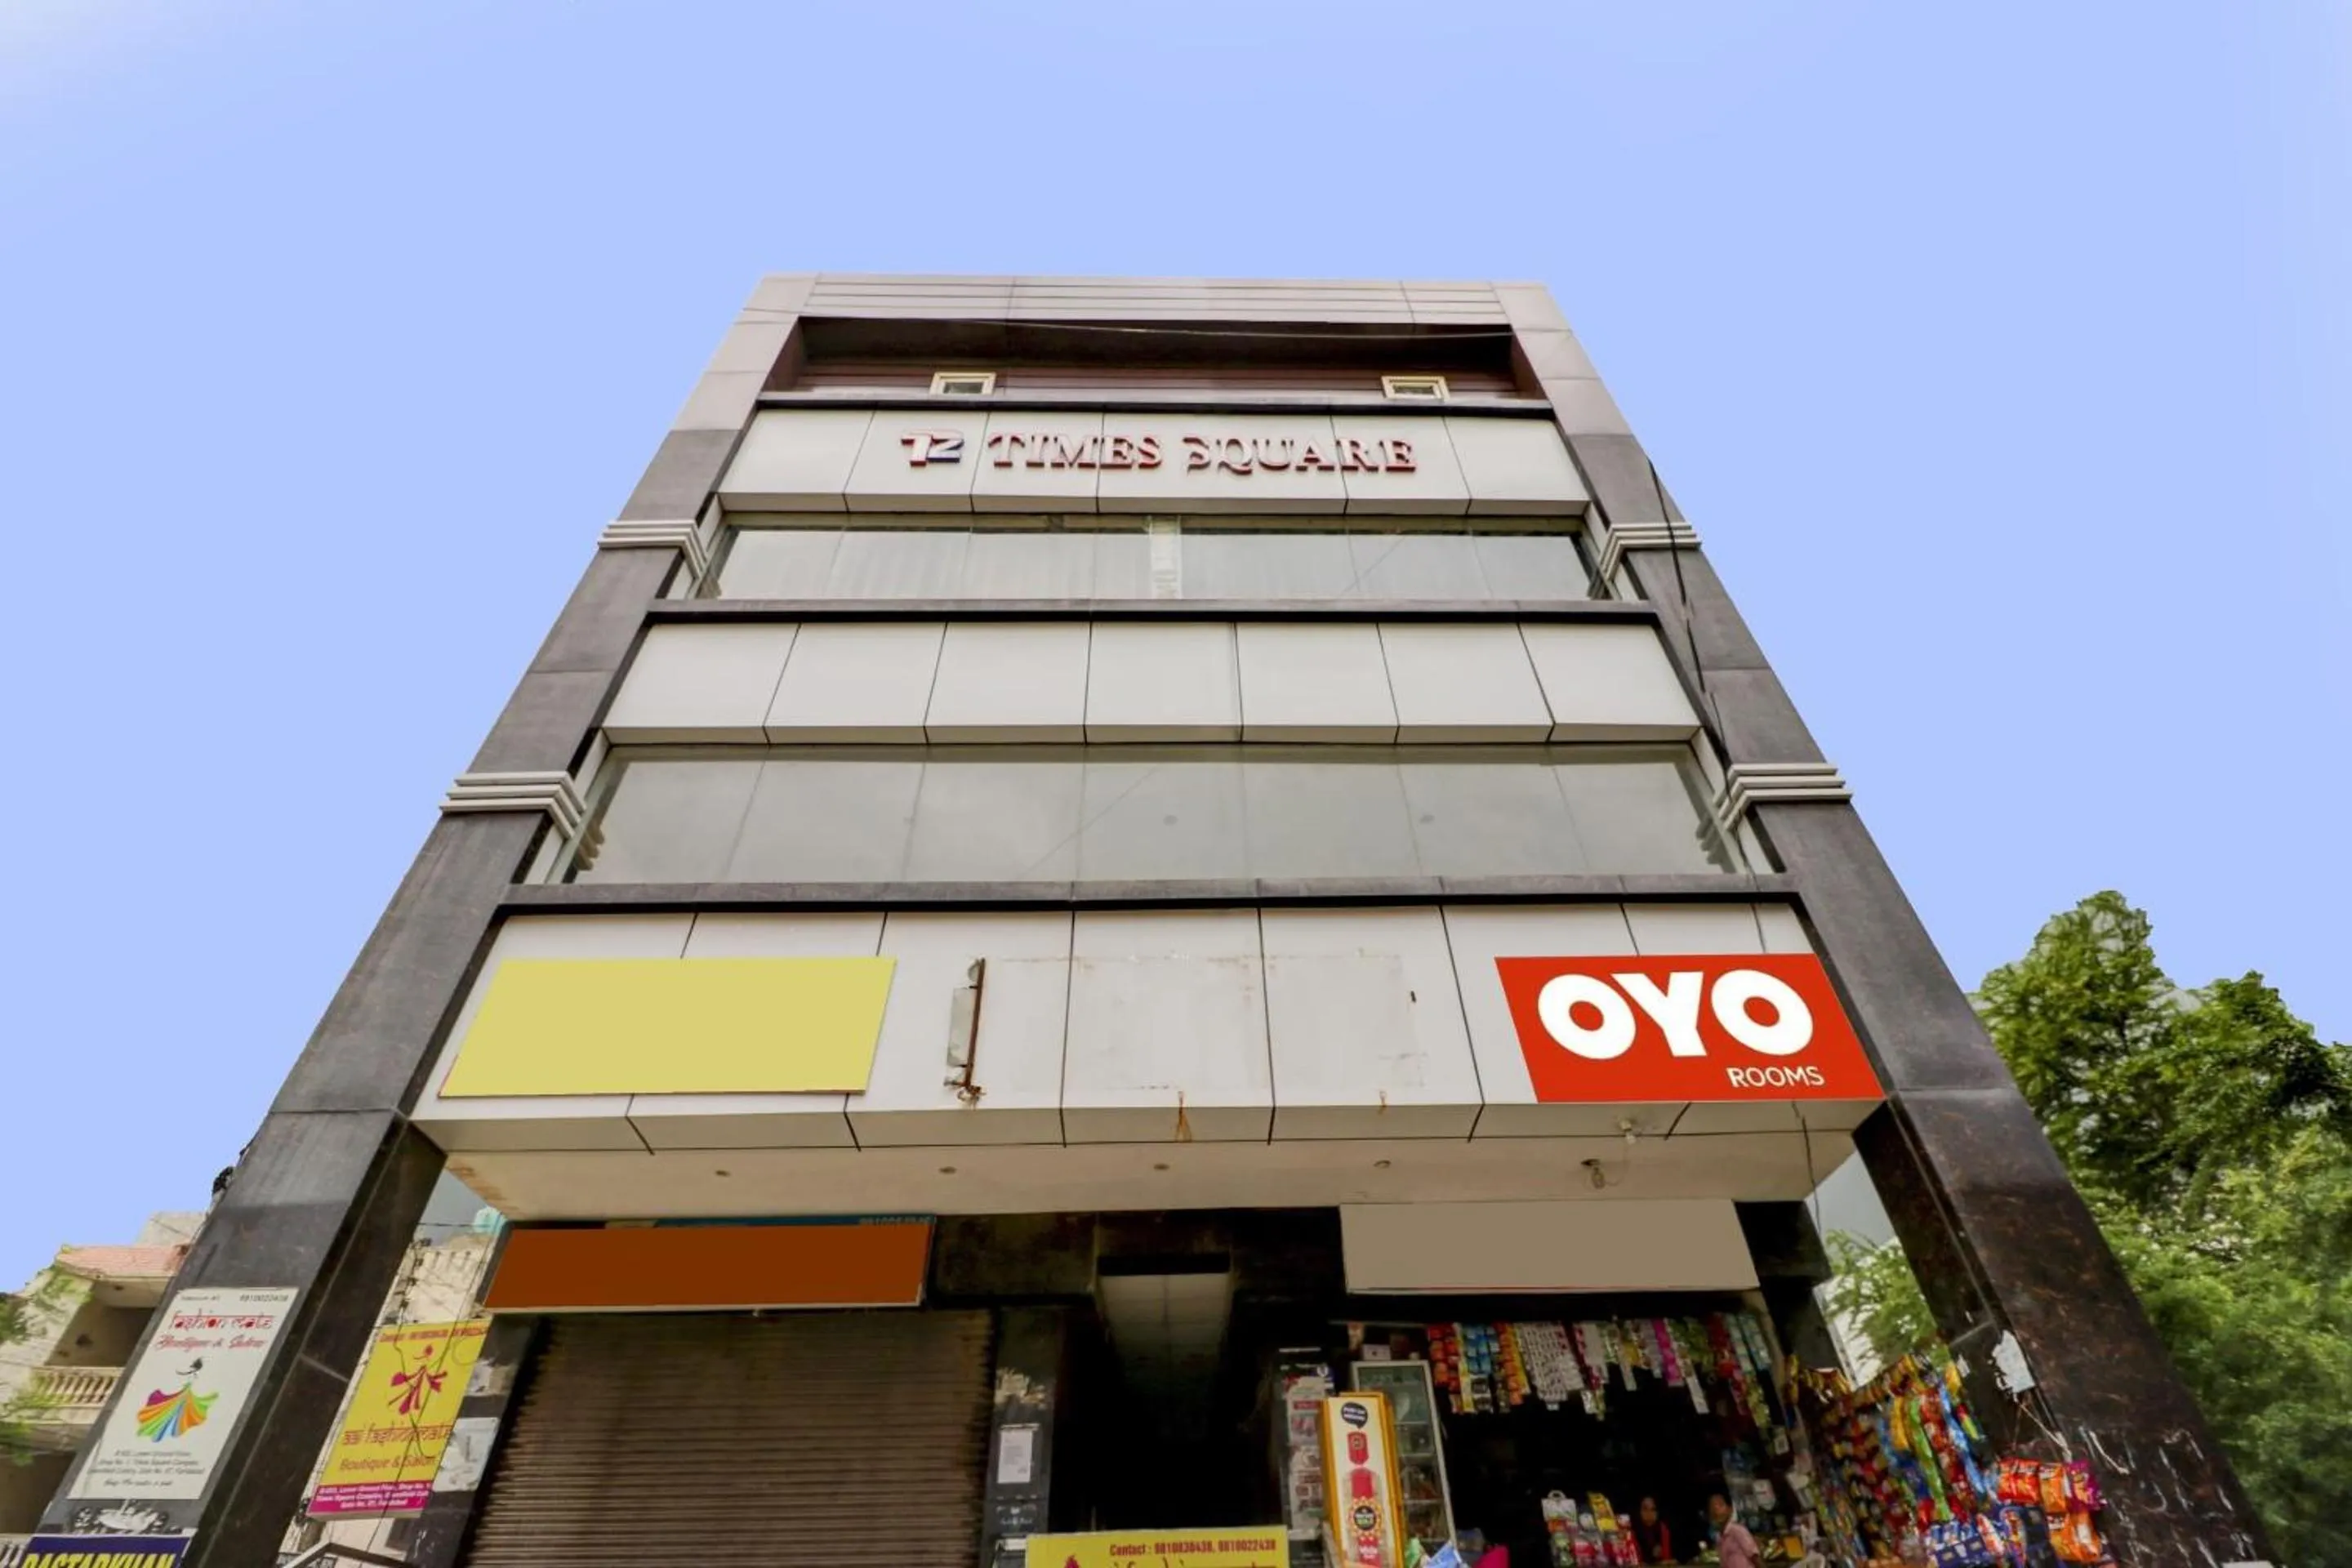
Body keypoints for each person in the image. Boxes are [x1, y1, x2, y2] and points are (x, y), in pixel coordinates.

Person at [1707, 1494, 1758, 1568]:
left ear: (1730, 1510)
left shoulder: (1738, 1531)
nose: (1716, 1509)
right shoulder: (1719, 1538)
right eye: (1712, 1507)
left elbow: (1755, 1558)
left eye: (1720, 1505)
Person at [1630, 1496, 1675, 1565]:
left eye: (1653, 1509)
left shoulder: (1664, 1529)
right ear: (1639, 1511)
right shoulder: (1631, 1532)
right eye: (1645, 1509)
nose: (1649, 1513)